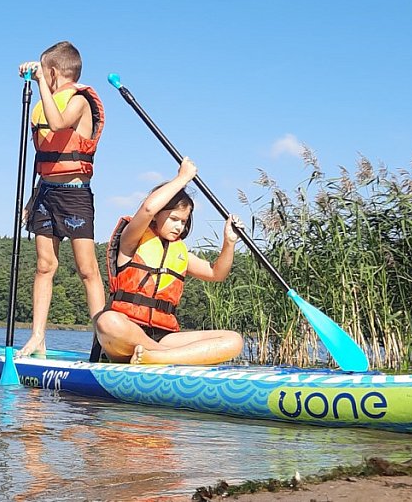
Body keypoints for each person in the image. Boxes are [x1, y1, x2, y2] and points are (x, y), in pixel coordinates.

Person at [93, 157, 244, 365]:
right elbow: (147, 209)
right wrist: (182, 178)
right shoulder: (131, 241)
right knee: (107, 321)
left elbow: (217, 273)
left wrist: (229, 242)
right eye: (173, 219)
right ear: (156, 216)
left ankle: (155, 356)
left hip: (165, 337)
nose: (179, 227)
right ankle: (173, 356)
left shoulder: (181, 255)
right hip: (125, 334)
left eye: (183, 221)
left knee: (233, 340)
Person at [16, 41, 105, 357]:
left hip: (75, 196)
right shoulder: (43, 100)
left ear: (52, 72)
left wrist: (39, 80)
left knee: (86, 269)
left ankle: (102, 342)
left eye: (45, 72)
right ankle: (37, 337)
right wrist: (32, 198)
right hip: (46, 192)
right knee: (44, 266)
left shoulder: (79, 101)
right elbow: (46, 156)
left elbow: (57, 124)